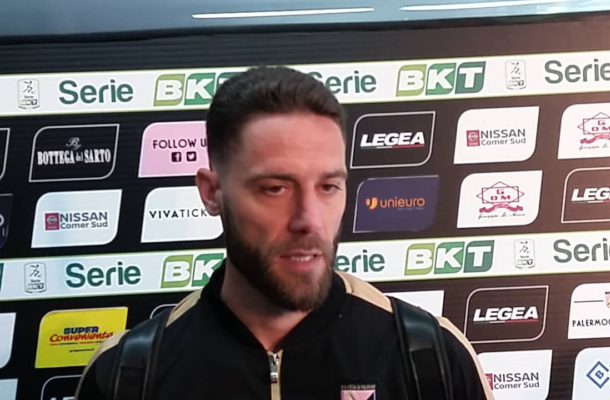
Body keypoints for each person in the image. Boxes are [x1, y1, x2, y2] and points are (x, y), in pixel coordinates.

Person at [75, 66, 494, 400]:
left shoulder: (430, 356)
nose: (309, 219)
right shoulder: (128, 374)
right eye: (275, 188)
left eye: (328, 187)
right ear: (212, 192)